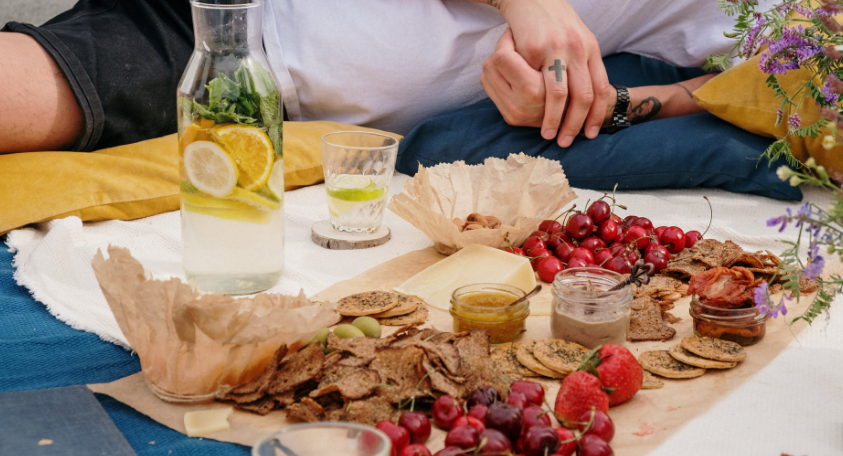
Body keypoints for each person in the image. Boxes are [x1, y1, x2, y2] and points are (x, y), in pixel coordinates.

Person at [0, 0, 735, 155]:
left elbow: (743, 97)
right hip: (229, 21)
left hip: (277, 95)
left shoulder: (801, 42)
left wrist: (597, 103)